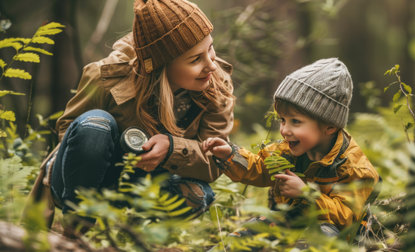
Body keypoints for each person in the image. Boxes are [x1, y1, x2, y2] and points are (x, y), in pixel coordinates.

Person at [27, 0, 234, 236]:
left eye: (210, 48)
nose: (211, 64)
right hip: (87, 179)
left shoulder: (216, 85)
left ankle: (135, 236)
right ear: (161, 66)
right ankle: (75, 231)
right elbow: (69, 129)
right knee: (95, 124)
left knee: (197, 196)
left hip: (148, 184)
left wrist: (172, 149)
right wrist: (104, 151)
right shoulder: (108, 76)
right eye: (195, 59)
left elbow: (216, 160)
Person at [202, 58, 380, 237]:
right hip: (288, 223)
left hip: (332, 235)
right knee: (251, 231)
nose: (285, 130)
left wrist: (307, 195)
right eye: (282, 120)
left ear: (330, 126)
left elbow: (347, 218)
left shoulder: (354, 168)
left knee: (322, 235)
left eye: (295, 121)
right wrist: (231, 156)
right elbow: (261, 167)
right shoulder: (287, 150)